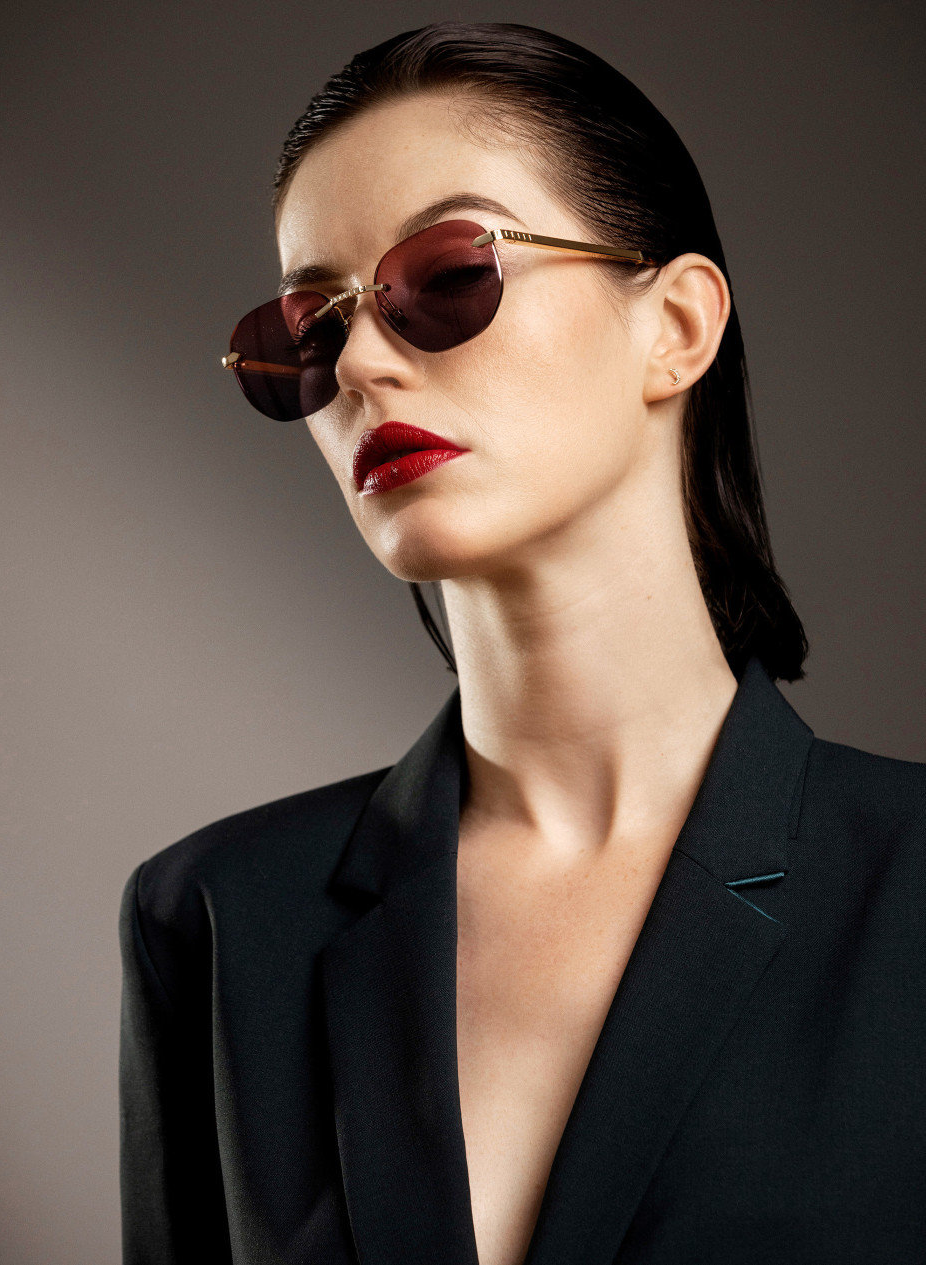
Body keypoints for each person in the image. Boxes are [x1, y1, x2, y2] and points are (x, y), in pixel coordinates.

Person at [118, 22, 926, 1265]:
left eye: (448, 276)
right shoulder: (219, 918)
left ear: (677, 325)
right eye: (311, 331)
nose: (362, 364)